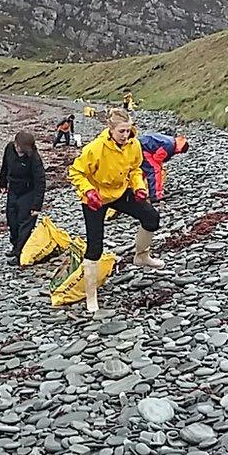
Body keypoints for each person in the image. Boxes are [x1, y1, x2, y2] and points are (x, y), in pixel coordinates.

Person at [68, 108, 163, 313]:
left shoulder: (134, 144)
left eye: (128, 130)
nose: (125, 135)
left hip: (120, 191)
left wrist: (139, 187)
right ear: (110, 129)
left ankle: (142, 255)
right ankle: (91, 296)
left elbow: (136, 169)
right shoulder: (95, 148)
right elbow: (75, 172)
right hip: (95, 198)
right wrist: (89, 191)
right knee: (95, 247)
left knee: (151, 217)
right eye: (121, 131)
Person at [0, 131, 46, 266]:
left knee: (24, 223)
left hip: (28, 192)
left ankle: (21, 254)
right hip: (13, 189)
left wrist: (37, 206)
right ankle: (15, 247)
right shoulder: (9, 149)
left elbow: (40, 181)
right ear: (16, 144)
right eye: (20, 149)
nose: (22, 152)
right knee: (12, 221)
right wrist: (3, 183)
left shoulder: (34, 158)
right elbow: (5, 167)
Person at [138, 132, 190, 202]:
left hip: (143, 145)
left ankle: (142, 189)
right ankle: (156, 195)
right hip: (144, 150)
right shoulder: (170, 147)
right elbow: (157, 158)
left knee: (145, 170)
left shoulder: (171, 141)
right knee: (155, 170)